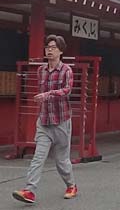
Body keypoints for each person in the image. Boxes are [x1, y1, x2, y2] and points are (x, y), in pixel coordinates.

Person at [13, 35, 77, 205]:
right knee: (38, 157)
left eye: (53, 47)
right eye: (47, 47)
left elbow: (67, 90)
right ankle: (30, 191)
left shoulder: (66, 70)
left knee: (61, 160)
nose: (49, 50)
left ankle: (71, 185)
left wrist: (47, 95)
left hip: (61, 120)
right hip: (44, 121)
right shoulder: (41, 70)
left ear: (61, 51)